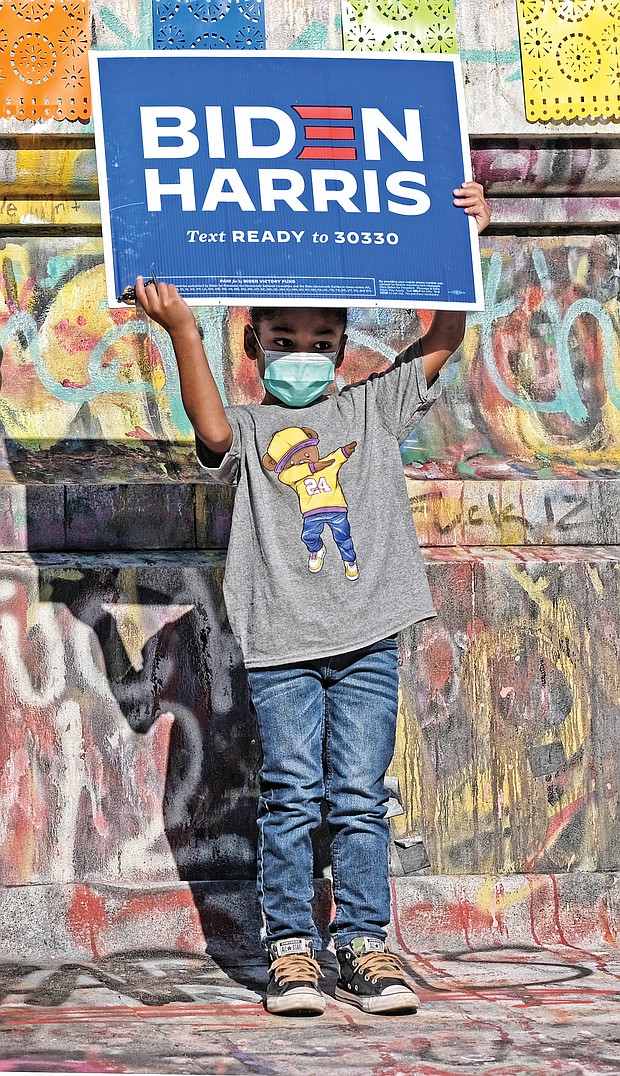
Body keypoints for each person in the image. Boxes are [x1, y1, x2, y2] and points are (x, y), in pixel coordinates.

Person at [134, 181, 490, 1016]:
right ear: (254, 345)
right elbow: (212, 432)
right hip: (285, 646)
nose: (303, 352)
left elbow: (444, 332)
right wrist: (185, 328)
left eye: (320, 340)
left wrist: (463, 235)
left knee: (362, 795)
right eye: (284, 338)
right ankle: (291, 948)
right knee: (294, 792)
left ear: (339, 351)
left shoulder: (375, 405)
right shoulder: (252, 433)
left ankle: (364, 944)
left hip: (368, 637)